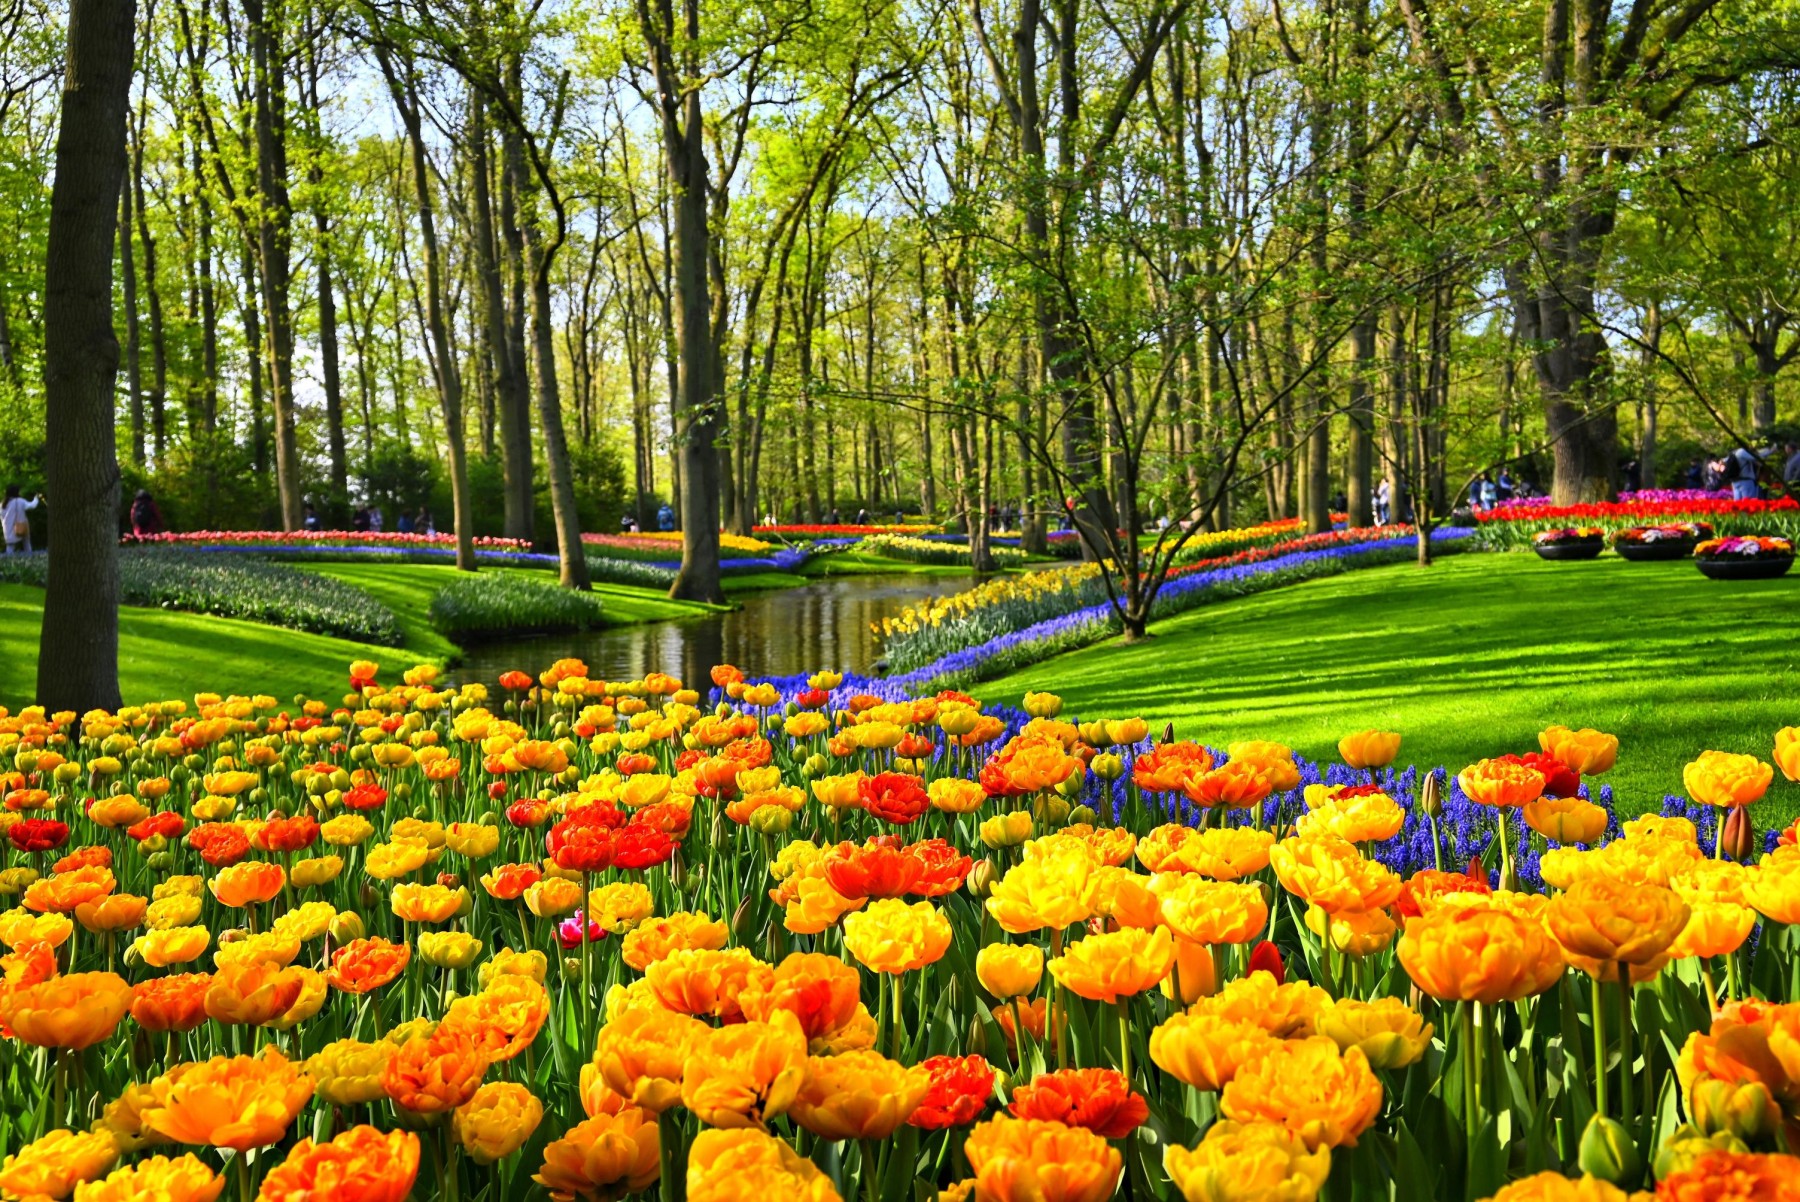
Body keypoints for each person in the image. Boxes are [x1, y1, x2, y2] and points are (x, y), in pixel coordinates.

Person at [3, 484, 41, 554]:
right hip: (21, 526)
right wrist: (36, 498)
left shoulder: (3, 504)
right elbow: (32, 506)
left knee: (10, 547)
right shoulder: (20, 501)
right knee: (26, 543)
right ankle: (30, 559)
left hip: (8, 528)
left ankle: (8, 561)